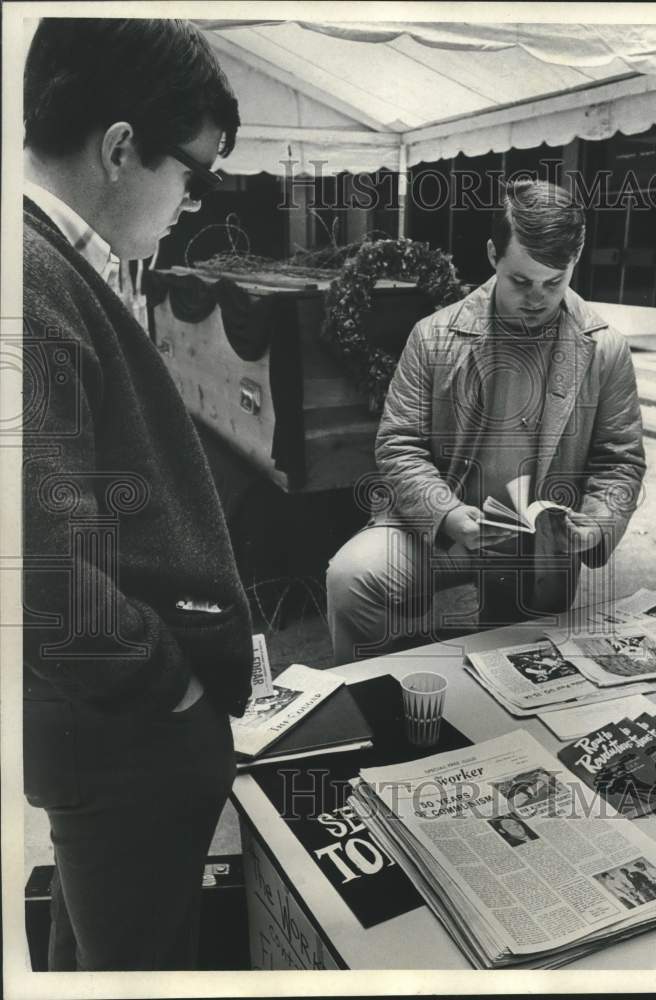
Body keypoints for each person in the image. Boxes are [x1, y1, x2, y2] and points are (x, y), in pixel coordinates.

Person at [22, 19, 253, 970]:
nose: (193, 200)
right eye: (192, 171)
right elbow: (33, 566)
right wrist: (172, 683)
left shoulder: (51, 262)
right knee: (139, 969)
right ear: (120, 148)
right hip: (119, 736)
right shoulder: (33, 277)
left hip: (106, 731)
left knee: (100, 952)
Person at [327, 179, 646, 664]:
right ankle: (378, 704)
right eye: (521, 281)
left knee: (519, 675)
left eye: (553, 282)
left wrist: (598, 523)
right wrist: (447, 514)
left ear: (573, 264)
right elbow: (399, 444)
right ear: (494, 254)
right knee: (351, 578)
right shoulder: (433, 336)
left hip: (538, 545)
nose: (537, 298)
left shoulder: (605, 349)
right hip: (438, 527)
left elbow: (619, 463)